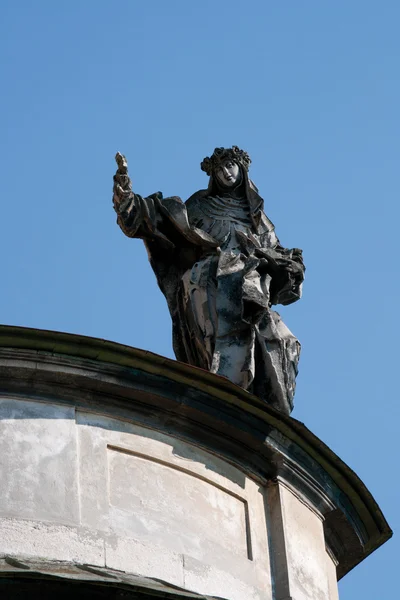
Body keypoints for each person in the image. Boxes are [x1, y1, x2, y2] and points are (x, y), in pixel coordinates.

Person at [113, 146, 305, 414]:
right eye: (221, 169)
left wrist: (288, 266)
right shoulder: (200, 205)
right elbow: (160, 218)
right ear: (213, 174)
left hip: (250, 285)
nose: (227, 172)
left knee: (279, 337)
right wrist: (128, 198)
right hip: (208, 280)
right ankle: (227, 389)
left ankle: (268, 404)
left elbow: (278, 257)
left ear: (242, 169)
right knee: (221, 330)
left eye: (231, 166)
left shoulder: (257, 218)